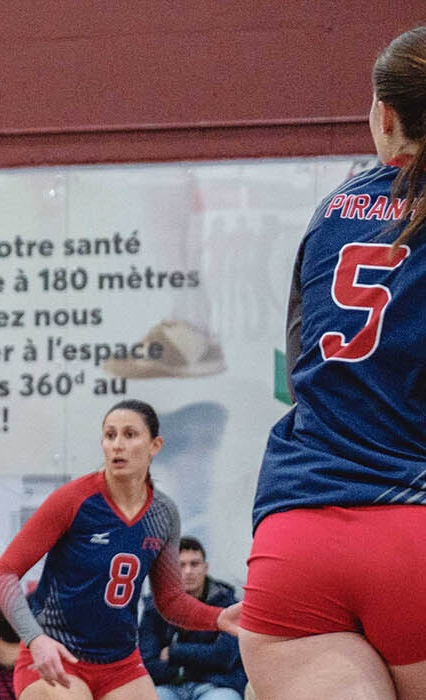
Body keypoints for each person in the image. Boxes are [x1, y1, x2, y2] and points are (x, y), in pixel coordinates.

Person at [240, 26, 426, 700]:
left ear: (383, 116)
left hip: (297, 540)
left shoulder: (332, 211)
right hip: (412, 528)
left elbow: (301, 369)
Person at [0, 400, 236, 700]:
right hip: (59, 654)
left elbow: (170, 600)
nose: (117, 445)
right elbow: (4, 574)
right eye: (110, 435)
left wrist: (219, 617)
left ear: (155, 445)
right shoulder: (74, 499)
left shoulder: (163, 514)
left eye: (130, 435)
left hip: (120, 664)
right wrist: (35, 639)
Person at [137, 540, 242, 700]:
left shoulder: (227, 604)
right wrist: (194, 664)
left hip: (215, 686)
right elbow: (147, 663)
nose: (188, 571)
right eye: (181, 565)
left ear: (205, 567)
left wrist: (174, 652)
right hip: (168, 687)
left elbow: (224, 657)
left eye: (194, 564)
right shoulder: (154, 608)